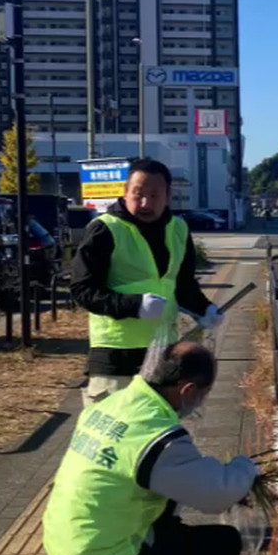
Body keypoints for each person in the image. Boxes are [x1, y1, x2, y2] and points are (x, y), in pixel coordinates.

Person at [42, 341, 261, 555]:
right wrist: (244, 467)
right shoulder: (157, 437)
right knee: (224, 543)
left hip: (64, 547)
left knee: (169, 509)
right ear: (187, 391)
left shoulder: (111, 404)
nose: (201, 402)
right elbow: (215, 495)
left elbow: (180, 479)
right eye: (204, 393)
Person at [71, 159, 221, 406]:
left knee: (154, 433)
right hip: (115, 356)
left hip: (164, 355)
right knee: (113, 435)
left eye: (154, 195)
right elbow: (82, 290)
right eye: (137, 194)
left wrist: (204, 309)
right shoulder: (104, 229)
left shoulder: (178, 229)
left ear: (168, 196)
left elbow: (182, 284)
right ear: (125, 192)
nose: (145, 203)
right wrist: (134, 305)